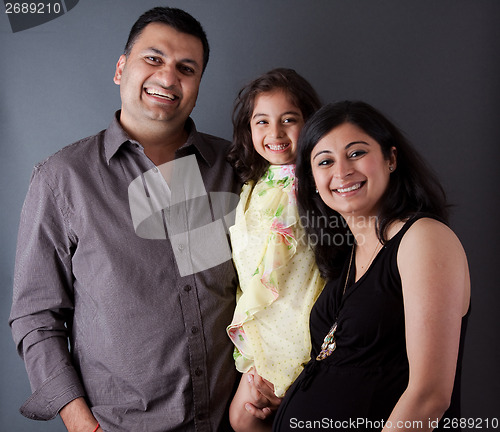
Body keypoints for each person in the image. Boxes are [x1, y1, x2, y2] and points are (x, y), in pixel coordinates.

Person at [9, 7, 241, 432]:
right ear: (121, 69)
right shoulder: (63, 179)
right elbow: (35, 317)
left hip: (234, 423)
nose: (168, 78)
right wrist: (82, 424)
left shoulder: (236, 167)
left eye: (186, 68)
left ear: (197, 86)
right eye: (153, 59)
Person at [273, 101, 470, 431]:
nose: (342, 172)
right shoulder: (349, 255)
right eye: (325, 161)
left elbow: (429, 396)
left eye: (356, 153)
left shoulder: (422, 238)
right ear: (312, 180)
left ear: (391, 159)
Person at [226, 68, 325, 432]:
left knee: (257, 419)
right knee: (243, 419)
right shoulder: (253, 185)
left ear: (310, 122)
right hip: (262, 336)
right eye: (262, 121)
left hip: (301, 330)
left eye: (289, 120)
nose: (275, 133)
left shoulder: (320, 182)